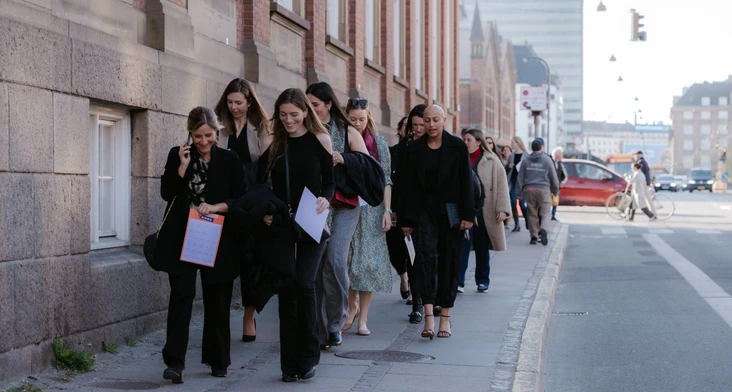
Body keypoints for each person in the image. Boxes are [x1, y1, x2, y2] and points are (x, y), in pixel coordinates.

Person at [158, 107, 246, 383]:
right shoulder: (178, 154)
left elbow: (240, 198)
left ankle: (218, 360)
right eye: (198, 136)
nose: (204, 141)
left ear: (217, 131)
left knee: (217, 300)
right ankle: (175, 362)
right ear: (190, 132)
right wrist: (182, 168)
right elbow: (166, 193)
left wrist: (218, 207)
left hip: (217, 236)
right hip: (183, 237)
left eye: (209, 135)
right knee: (181, 296)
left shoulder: (230, 160)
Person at [257, 88, 334, 382]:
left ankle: (309, 355)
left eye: (294, 114)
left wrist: (326, 199)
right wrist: (265, 209)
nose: (288, 120)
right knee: (287, 290)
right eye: (283, 114)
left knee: (305, 285)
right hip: (281, 224)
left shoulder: (320, 141)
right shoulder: (272, 143)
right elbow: (260, 183)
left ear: (305, 113)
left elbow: (329, 183)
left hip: (312, 223)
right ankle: (288, 365)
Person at [402, 105, 475, 339]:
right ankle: (428, 317)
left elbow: (466, 182)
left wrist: (468, 215)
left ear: (444, 120)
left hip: (451, 213)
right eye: (427, 121)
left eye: (435, 120)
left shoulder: (457, 147)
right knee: (425, 260)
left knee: (449, 262)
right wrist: (406, 220)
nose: (431, 125)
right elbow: (408, 188)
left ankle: (445, 316)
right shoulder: (413, 149)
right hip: (424, 213)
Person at [304, 82, 368, 349]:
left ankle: (336, 322)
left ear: (328, 104)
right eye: (308, 105)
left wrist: (344, 158)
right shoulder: (305, 130)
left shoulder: (347, 130)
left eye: (315, 105)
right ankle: (319, 325)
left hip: (343, 204)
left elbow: (368, 165)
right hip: (314, 203)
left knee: (335, 259)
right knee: (315, 265)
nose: (311, 110)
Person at [213, 78, 270, 344]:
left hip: (252, 197)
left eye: (239, 102)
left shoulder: (262, 127)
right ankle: (220, 317)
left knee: (251, 261)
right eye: (230, 102)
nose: (233, 107)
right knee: (225, 257)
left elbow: (269, 168)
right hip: (224, 198)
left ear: (250, 102)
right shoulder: (218, 126)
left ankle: (249, 315)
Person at [342, 99, 393, 336]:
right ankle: (350, 308)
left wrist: (387, 210)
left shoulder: (379, 143)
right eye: (353, 119)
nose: (358, 123)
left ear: (368, 118)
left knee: (369, 264)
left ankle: (363, 318)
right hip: (348, 206)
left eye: (362, 119)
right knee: (350, 261)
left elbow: (386, 181)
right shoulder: (342, 140)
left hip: (373, 209)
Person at [458, 129, 511, 293]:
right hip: (465, 209)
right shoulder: (460, 158)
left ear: (478, 141)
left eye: (468, 140)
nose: (465, 143)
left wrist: (503, 209)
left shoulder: (492, 159)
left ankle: (482, 280)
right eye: (464, 139)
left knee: (482, 247)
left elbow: (502, 186)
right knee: (462, 246)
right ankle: (458, 280)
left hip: (485, 210)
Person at [391, 104, 427, 324]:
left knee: (430, 257)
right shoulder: (404, 146)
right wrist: (399, 214)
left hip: (433, 212)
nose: (418, 129)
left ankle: (432, 299)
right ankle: (417, 305)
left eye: (422, 125)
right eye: (414, 125)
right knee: (413, 259)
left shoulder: (440, 144)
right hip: (410, 211)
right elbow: (399, 183)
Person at [387, 115, 412, 302]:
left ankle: (413, 287)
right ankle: (403, 276)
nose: (409, 130)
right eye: (406, 126)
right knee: (395, 248)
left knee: (413, 248)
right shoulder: (391, 152)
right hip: (393, 208)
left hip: (411, 209)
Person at [517, 139, 559, 246]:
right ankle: (543, 229)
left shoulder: (526, 160)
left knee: (532, 213)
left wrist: (518, 193)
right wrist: (555, 190)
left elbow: (520, 177)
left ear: (532, 148)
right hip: (544, 189)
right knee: (545, 212)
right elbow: (553, 176)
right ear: (542, 147)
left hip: (529, 190)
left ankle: (534, 236)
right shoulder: (547, 160)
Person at [508, 136, 529, 232]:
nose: (511, 144)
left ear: (518, 143)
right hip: (513, 180)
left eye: (513, 142)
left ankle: (527, 221)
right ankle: (516, 224)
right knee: (512, 202)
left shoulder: (526, 155)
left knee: (522, 204)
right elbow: (506, 168)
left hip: (523, 182)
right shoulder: (511, 155)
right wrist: (509, 166)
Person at [551, 147, 567, 221]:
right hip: (549, 185)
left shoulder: (560, 164)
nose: (562, 155)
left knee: (555, 201)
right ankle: (548, 215)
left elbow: (564, 175)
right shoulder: (551, 162)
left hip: (557, 186)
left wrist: (560, 182)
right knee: (548, 201)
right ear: (557, 154)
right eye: (561, 154)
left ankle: (553, 215)